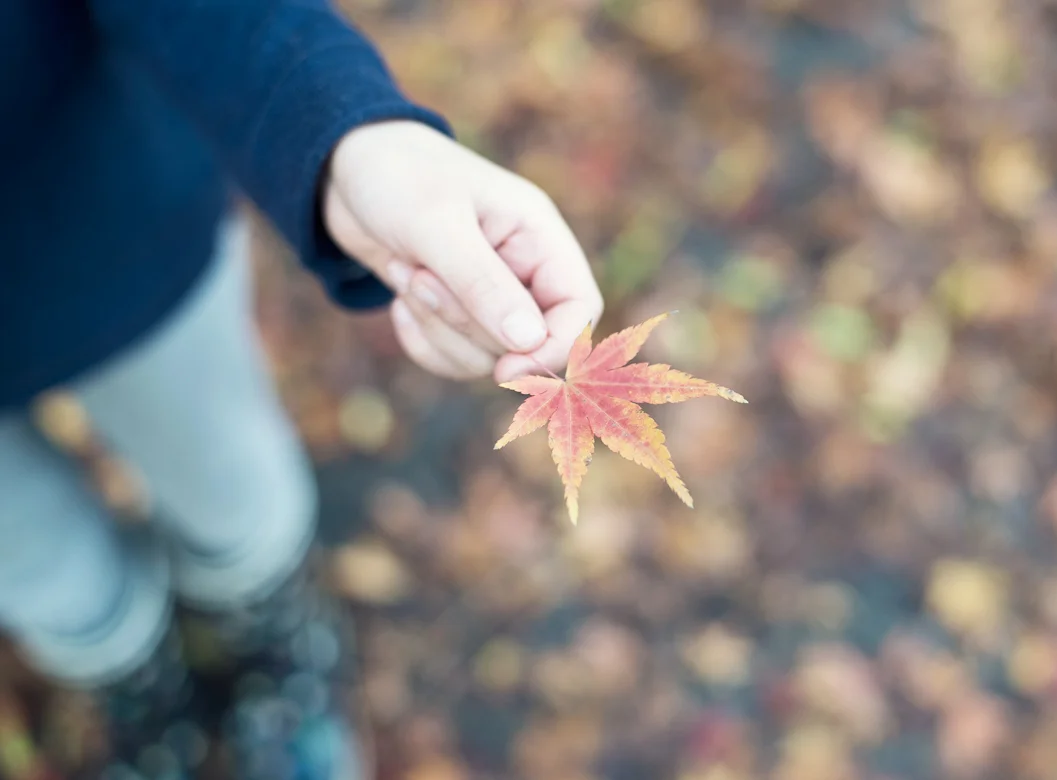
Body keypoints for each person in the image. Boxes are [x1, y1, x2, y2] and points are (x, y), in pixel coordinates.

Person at [0, 2, 604, 778]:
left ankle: (273, 645)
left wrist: (349, 134)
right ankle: (132, 680)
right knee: (37, 566)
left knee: (225, 479)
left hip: (119, 242)